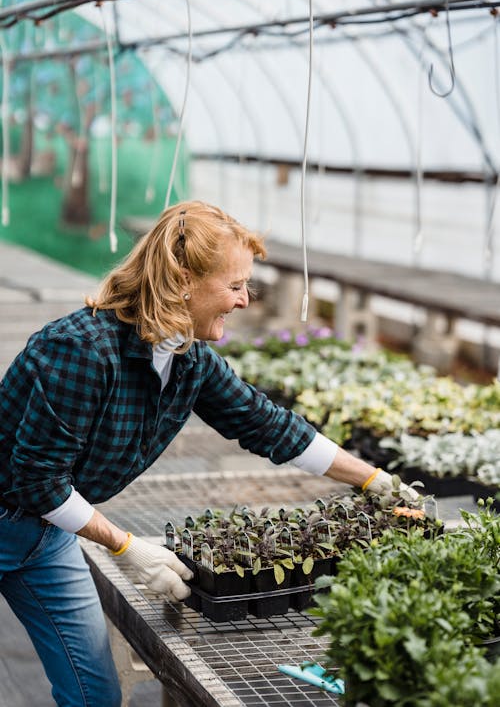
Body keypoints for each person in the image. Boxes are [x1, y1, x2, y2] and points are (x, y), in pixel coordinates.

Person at [0, 200, 420, 706]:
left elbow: (266, 423)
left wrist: (373, 479)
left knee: (94, 696)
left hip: (46, 535)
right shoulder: (83, 351)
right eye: (235, 285)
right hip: (14, 509)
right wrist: (126, 547)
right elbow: (36, 479)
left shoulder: (187, 358)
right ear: (182, 280)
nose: (246, 300)